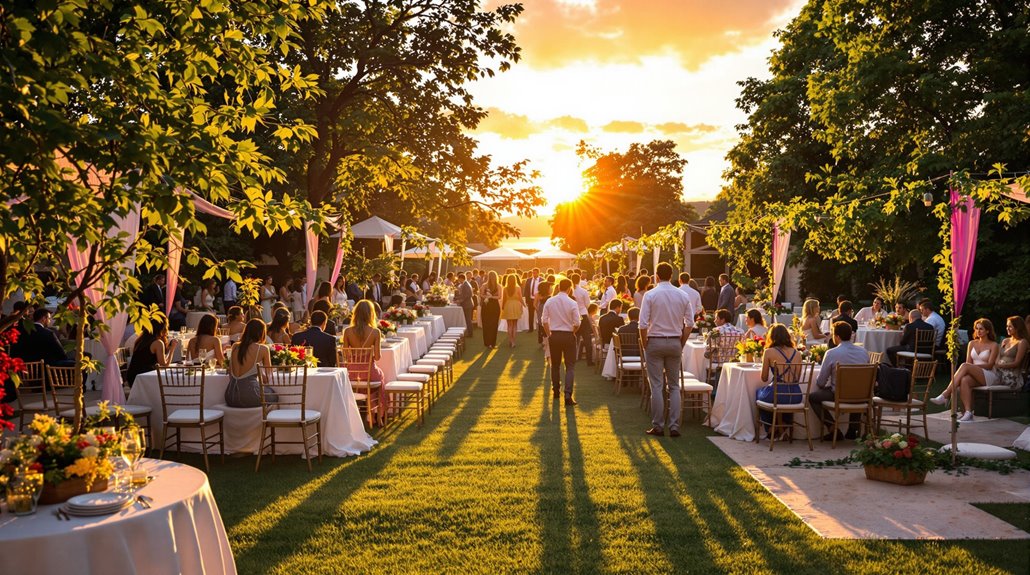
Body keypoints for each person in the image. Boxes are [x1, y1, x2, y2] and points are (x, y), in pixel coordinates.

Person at [639, 262, 694, 438]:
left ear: (656, 276)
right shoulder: (682, 294)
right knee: (674, 386)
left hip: (655, 341)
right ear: (671, 276)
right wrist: (682, 341)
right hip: (674, 341)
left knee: (656, 386)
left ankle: (658, 426)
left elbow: (642, 323)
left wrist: (644, 343)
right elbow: (690, 323)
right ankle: (674, 426)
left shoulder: (650, 294)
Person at [809, 321, 870, 441]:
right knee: (856, 388)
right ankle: (853, 429)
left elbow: (821, 382)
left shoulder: (831, 353)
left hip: (839, 395)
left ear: (837, 336)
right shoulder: (863, 352)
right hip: (862, 395)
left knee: (812, 397)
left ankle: (833, 428)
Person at [930, 318, 999, 421]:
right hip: (974, 374)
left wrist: (973, 367)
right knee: (964, 380)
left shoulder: (994, 345)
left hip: (989, 375)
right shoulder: (972, 343)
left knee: (965, 366)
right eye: (976, 329)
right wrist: (972, 368)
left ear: (988, 331)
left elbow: (989, 365)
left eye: (981, 329)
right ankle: (968, 412)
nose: (978, 331)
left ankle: (945, 394)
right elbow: (969, 362)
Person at [342, 300, 388, 423]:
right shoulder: (375, 332)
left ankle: (357, 413)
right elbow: (377, 357)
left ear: (355, 313)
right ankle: (377, 416)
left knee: (369, 379)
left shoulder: (347, 331)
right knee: (380, 377)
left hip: (352, 374)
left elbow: (346, 355)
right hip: (369, 374)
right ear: (371, 314)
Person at [756, 324, 803, 439]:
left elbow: (764, 378)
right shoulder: (797, 353)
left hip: (777, 394)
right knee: (782, 398)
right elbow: (797, 378)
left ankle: (771, 429)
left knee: (759, 393)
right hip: (795, 395)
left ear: (772, 337)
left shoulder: (769, 352)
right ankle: (783, 427)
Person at [541, 278, 580, 406]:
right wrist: (573, 331)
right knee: (570, 366)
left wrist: (549, 334)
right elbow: (577, 323)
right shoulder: (572, 302)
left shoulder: (550, 301)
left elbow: (544, 320)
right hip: (568, 335)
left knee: (555, 365)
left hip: (555, 335)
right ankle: (568, 394)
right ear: (569, 288)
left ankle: (556, 391)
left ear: (558, 287)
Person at [225, 319, 272, 408]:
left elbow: (230, 374)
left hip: (230, 396)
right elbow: (267, 379)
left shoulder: (235, 346)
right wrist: (259, 372)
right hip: (249, 396)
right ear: (261, 333)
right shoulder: (263, 349)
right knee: (274, 396)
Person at [124, 319, 178, 387]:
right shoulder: (158, 343)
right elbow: (164, 366)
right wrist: (172, 349)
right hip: (143, 378)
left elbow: (162, 361)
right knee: (170, 383)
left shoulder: (141, 340)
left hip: (133, 376)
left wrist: (169, 349)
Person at [571, 273, 592, 365]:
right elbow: (587, 304)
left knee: (574, 338)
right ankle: (589, 360)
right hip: (583, 315)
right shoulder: (583, 291)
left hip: (573, 316)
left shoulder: (570, 291)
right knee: (587, 338)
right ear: (579, 280)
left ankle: (573, 358)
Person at [500, 274, 525, 348]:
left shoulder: (505, 289)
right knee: (514, 325)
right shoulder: (518, 288)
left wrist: (503, 307)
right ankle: (513, 341)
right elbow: (520, 298)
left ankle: (510, 340)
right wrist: (524, 305)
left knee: (509, 325)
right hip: (516, 306)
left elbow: (504, 299)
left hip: (508, 306)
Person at [480, 271, 501, 349]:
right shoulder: (497, 286)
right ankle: (492, 343)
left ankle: (487, 343)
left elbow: (481, 295)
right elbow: (499, 297)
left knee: (487, 324)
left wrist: (489, 296)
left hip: (488, 305)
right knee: (493, 324)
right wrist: (488, 296)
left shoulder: (485, 285)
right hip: (492, 306)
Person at [454, 272, 475, 337]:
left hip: (467, 304)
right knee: (467, 319)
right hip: (467, 304)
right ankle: (469, 332)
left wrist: (459, 300)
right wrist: (457, 299)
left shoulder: (465, 285)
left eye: (459, 279)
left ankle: (470, 333)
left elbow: (466, 295)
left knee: (468, 319)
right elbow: (464, 295)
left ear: (461, 278)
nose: (458, 280)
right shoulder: (465, 284)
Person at [522, 268, 542, 333]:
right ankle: (531, 328)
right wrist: (527, 300)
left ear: (538, 273)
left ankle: (540, 328)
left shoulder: (542, 280)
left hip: (539, 300)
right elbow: (526, 291)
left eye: (535, 273)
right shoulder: (529, 280)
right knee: (530, 315)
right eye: (533, 273)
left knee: (540, 314)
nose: (534, 274)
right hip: (530, 299)